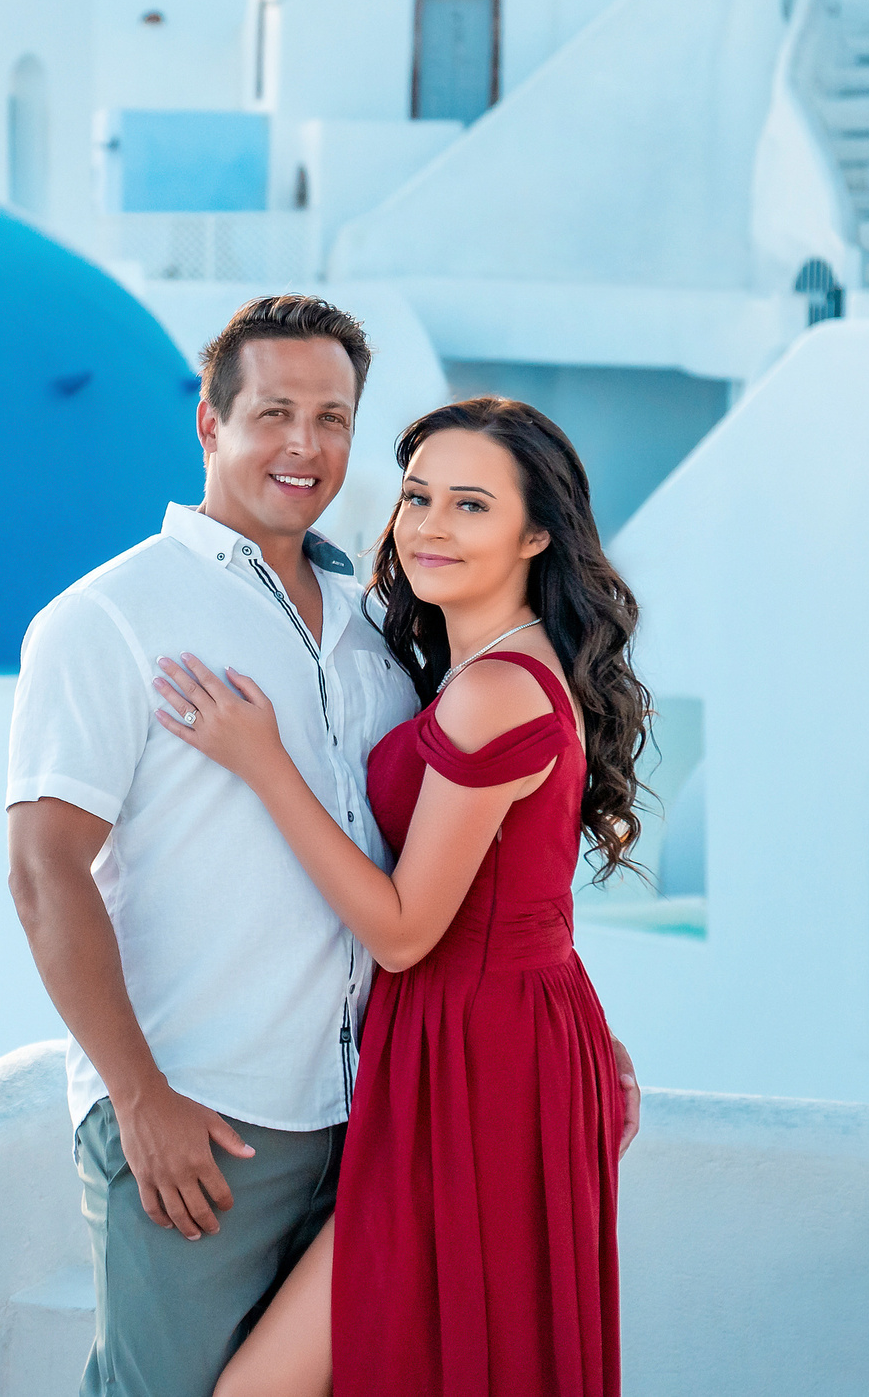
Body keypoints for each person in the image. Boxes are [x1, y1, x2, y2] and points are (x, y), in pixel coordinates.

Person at [153, 395, 647, 1397]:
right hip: (493, 1038)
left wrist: (263, 764)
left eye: (470, 505)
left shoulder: (492, 690)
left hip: (479, 1055)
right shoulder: (485, 667)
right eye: (417, 495)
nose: (427, 525)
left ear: (535, 532)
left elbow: (403, 932)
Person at [7, 295, 421, 1397]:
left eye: (332, 418)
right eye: (275, 412)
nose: (305, 445)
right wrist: (138, 1098)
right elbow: (44, 870)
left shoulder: (374, 626)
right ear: (209, 422)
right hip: (203, 1121)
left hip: (365, 1116)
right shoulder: (109, 619)